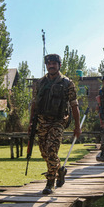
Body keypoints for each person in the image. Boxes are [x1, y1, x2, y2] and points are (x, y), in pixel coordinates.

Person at [28, 54, 81, 194]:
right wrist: (30, 123)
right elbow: (34, 104)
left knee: (51, 150)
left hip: (58, 121)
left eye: (54, 63)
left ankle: (50, 182)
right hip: (42, 122)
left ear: (59, 65)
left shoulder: (67, 83)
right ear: (46, 65)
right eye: (49, 63)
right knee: (44, 152)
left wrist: (77, 127)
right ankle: (59, 170)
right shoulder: (40, 83)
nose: (51, 66)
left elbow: (74, 106)